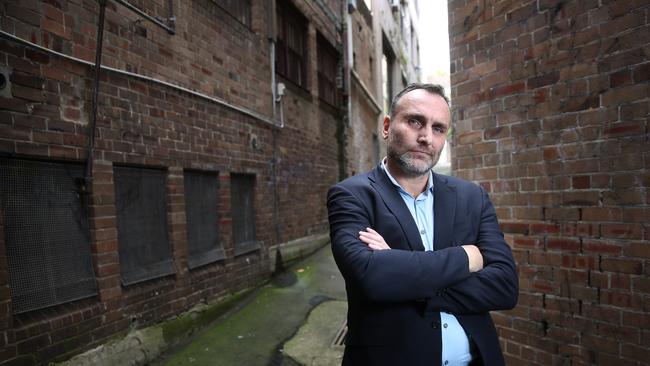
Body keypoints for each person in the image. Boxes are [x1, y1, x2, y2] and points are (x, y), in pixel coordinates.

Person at [327, 83, 518, 366]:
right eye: (415, 121)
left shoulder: (471, 197)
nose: (426, 137)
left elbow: (505, 286)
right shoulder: (352, 195)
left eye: (438, 128)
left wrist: (402, 273)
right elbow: (372, 279)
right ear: (387, 127)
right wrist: (468, 256)